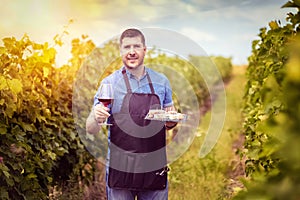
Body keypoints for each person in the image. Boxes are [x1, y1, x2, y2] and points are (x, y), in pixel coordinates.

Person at [86, 28, 177, 200]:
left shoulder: (161, 82)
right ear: (120, 51)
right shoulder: (109, 83)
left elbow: (169, 122)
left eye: (137, 46)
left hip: (153, 167)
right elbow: (91, 129)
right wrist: (95, 117)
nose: (132, 52)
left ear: (145, 50)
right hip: (121, 169)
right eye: (127, 47)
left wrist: (171, 120)